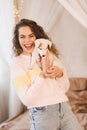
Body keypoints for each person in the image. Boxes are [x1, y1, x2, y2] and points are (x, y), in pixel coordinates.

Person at [11, 18, 83, 130]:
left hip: (63, 108)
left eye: (31, 35)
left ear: (37, 37)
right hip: (41, 113)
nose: (27, 41)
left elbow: (64, 88)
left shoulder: (50, 55)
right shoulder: (17, 63)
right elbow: (27, 99)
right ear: (17, 39)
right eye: (22, 36)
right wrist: (42, 75)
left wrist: (60, 74)